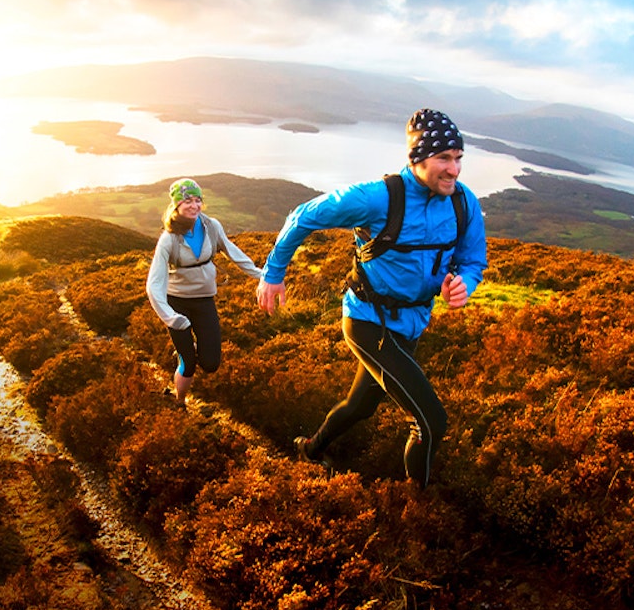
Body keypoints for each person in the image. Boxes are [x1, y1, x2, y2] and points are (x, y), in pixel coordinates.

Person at [256, 109, 488, 487]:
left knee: (360, 405)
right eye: (444, 158)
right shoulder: (378, 199)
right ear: (417, 158)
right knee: (430, 421)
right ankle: (418, 515)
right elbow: (303, 216)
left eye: (459, 158)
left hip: (412, 325)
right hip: (368, 321)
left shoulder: (464, 204)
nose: (455, 169)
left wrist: (464, 282)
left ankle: (311, 449)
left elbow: (473, 260)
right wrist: (273, 274)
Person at [147, 178, 263, 405]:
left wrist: (263, 275)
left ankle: (189, 348)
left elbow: (233, 252)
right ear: (177, 205)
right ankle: (180, 400)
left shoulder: (211, 226)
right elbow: (154, 284)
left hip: (204, 300)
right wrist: (170, 317)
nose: (194, 205)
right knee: (188, 364)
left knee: (210, 364)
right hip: (176, 304)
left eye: (198, 200)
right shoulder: (168, 239)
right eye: (187, 201)